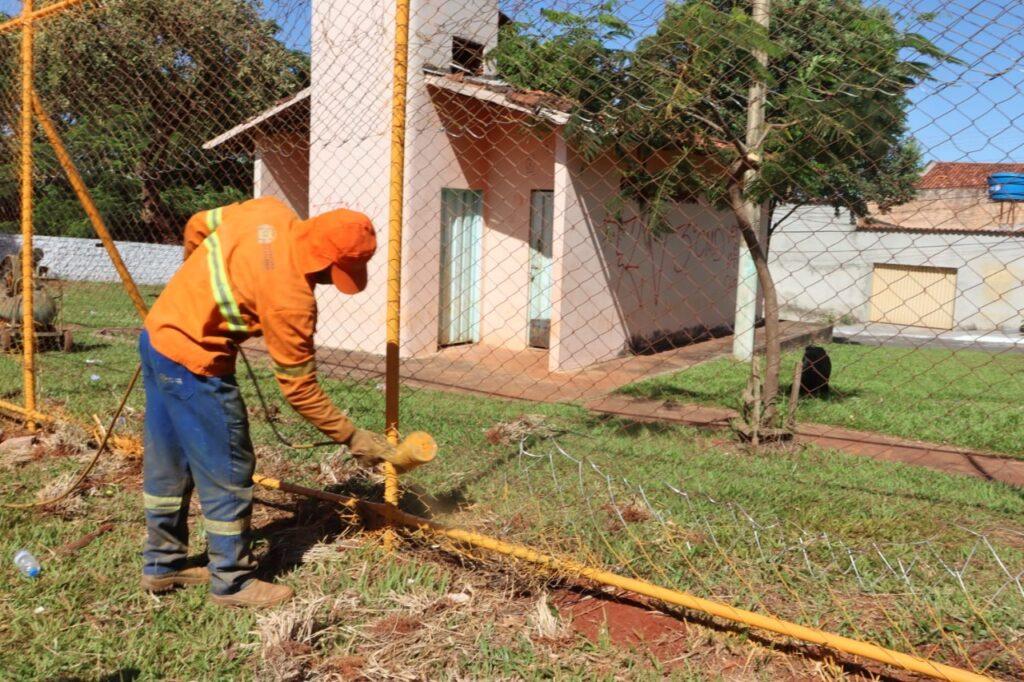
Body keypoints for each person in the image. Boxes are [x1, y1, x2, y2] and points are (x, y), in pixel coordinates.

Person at [139, 196, 395, 607]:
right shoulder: (290, 299)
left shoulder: (269, 212)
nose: (333, 281)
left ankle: (162, 565)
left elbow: (196, 225)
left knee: (169, 461)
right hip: (196, 363)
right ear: (325, 262)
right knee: (227, 466)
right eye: (338, 273)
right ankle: (232, 581)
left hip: (156, 339)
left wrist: (193, 284)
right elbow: (299, 389)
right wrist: (353, 437)